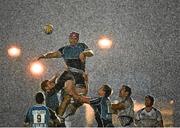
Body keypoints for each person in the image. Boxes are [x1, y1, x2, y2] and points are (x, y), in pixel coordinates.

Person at [37, 32, 94, 117]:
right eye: (71, 38)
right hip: (69, 73)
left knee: (77, 97)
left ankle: (69, 109)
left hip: (79, 74)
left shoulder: (82, 46)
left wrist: (84, 53)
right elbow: (54, 54)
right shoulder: (65, 49)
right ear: (69, 39)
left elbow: (91, 52)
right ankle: (58, 117)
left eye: (75, 38)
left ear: (78, 39)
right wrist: (44, 55)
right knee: (64, 94)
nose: (73, 40)